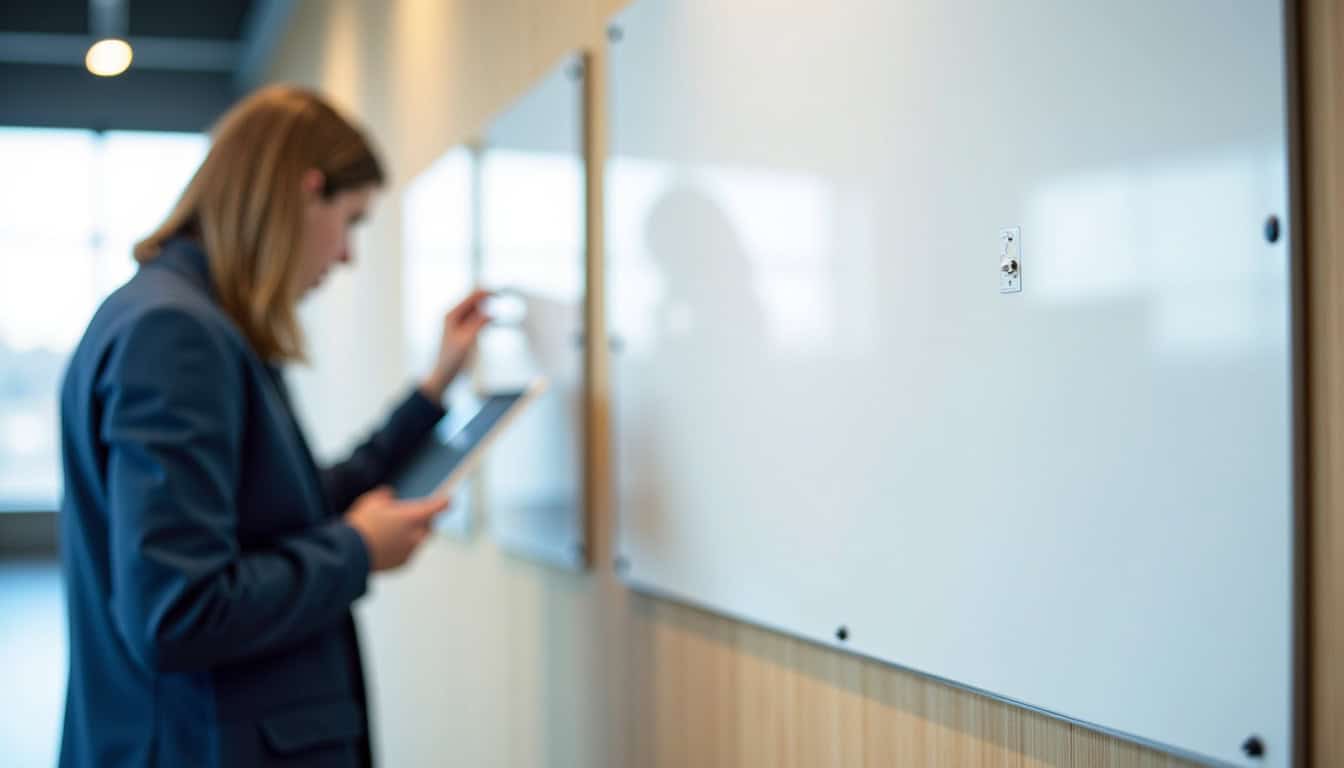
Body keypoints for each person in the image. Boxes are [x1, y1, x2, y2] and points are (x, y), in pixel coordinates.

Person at [56, 85, 488, 767]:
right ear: (304, 191)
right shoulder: (176, 333)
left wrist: (432, 390)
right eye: (350, 220)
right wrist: (356, 551)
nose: (346, 255)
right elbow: (178, 612)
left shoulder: (185, 319)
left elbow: (283, 509)